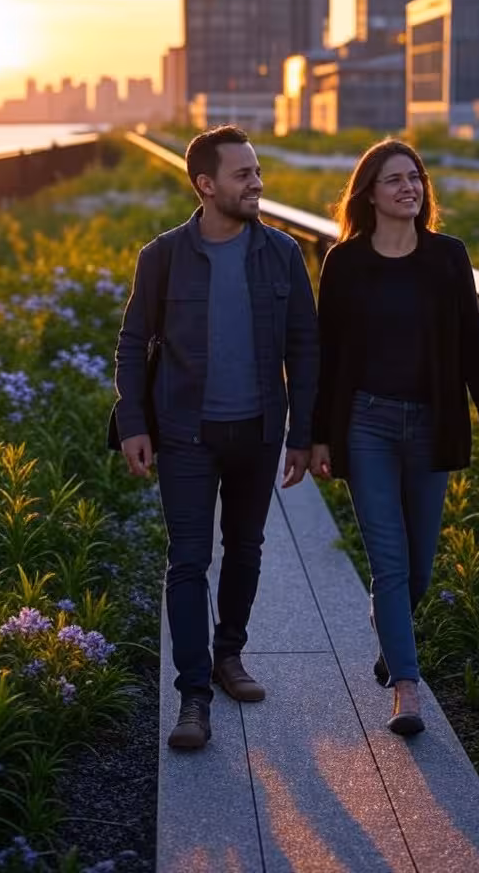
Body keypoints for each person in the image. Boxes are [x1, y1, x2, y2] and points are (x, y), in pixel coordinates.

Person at [113, 125, 319, 750]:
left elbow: (306, 348)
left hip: (258, 431)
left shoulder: (281, 253)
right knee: (188, 560)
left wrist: (302, 435)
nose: (257, 183)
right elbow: (130, 343)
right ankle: (193, 694)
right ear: (206, 185)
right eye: (243, 174)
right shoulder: (162, 257)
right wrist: (134, 423)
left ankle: (230, 655)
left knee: (247, 548)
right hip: (184, 433)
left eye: (257, 172)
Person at [310, 138, 479, 736]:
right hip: (366, 423)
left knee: (419, 566)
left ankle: (390, 644)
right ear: (368, 193)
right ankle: (407, 688)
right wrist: (320, 436)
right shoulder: (344, 263)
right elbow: (327, 355)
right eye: (394, 179)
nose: (409, 188)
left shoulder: (448, 256)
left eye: (415, 178)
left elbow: (473, 344)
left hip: (432, 424)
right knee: (390, 561)